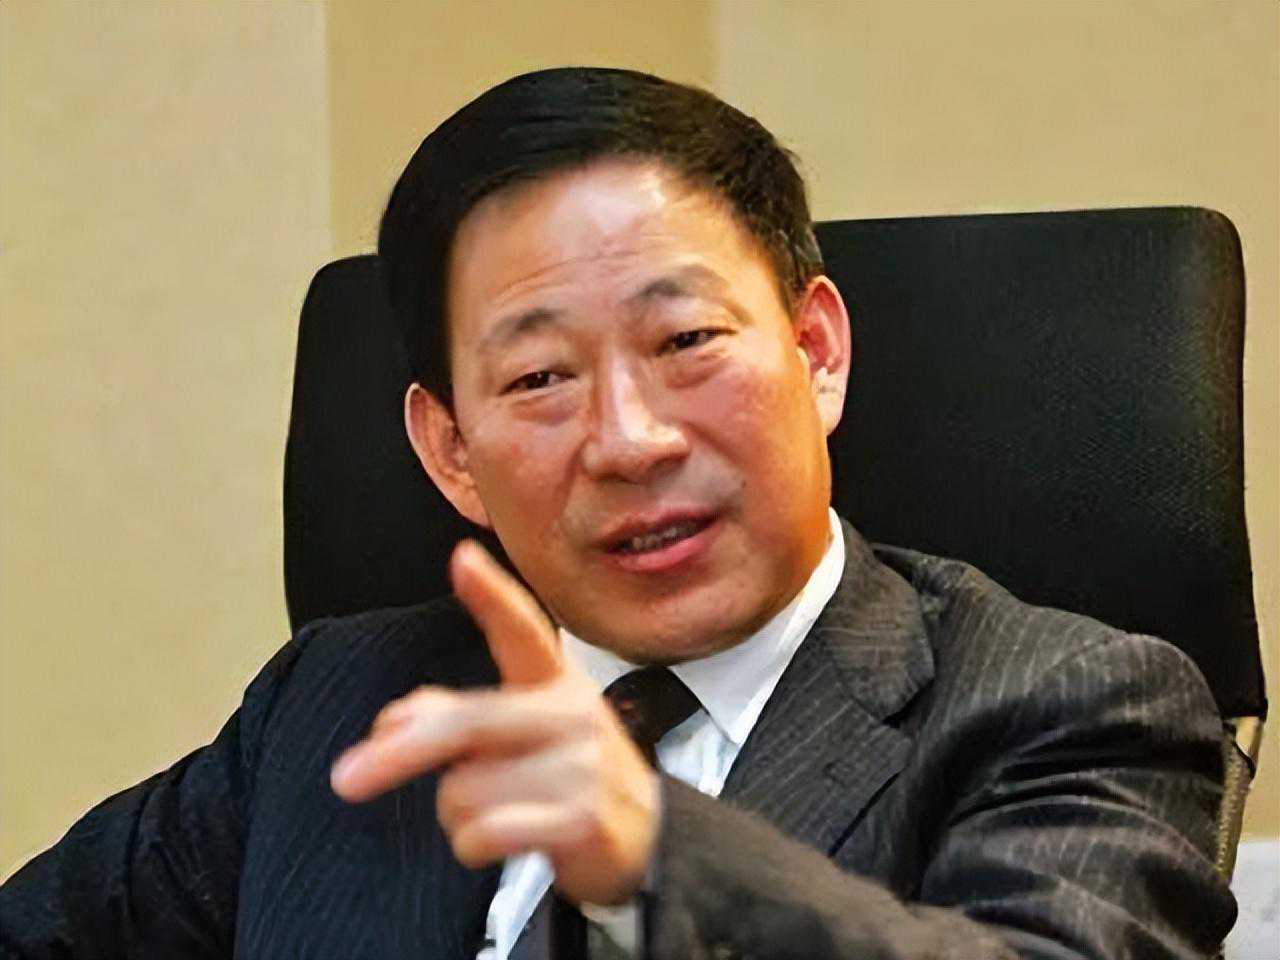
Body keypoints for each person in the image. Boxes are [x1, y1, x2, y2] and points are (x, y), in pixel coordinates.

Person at [0, 67, 1236, 959]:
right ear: (450, 452)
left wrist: (656, 857)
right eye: (540, 378)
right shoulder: (334, 710)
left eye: (684, 341)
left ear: (814, 353)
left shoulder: (1071, 706)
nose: (630, 441)